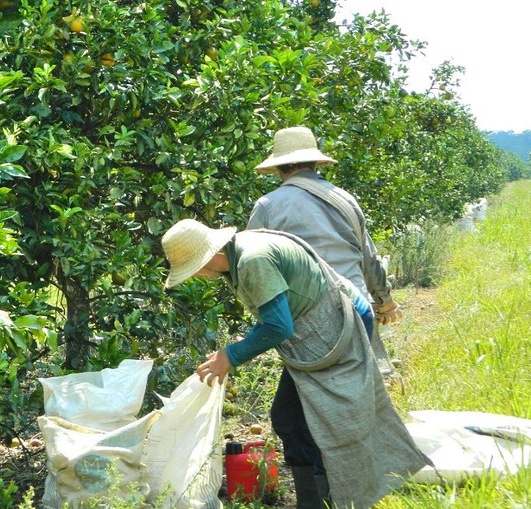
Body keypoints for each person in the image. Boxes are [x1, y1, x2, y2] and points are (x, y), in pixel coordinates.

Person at [161, 219, 430, 509]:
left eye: (196, 268)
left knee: (322, 421)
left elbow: (278, 327)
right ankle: (318, 500)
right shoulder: (240, 254)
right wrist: (232, 351)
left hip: (336, 326)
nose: (198, 276)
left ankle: (336, 499)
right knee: (290, 418)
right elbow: (273, 315)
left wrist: (231, 355)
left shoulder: (253, 261)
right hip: (318, 329)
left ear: (211, 255)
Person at [247, 126, 402, 374]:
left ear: (278, 168)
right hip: (358, 310)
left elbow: (251, 267)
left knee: (307, 404)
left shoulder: (267, 206)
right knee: (354, 391)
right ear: (315, 162)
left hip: (309, 322)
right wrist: (384, 302)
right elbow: (368, 258)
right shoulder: (344, 198)